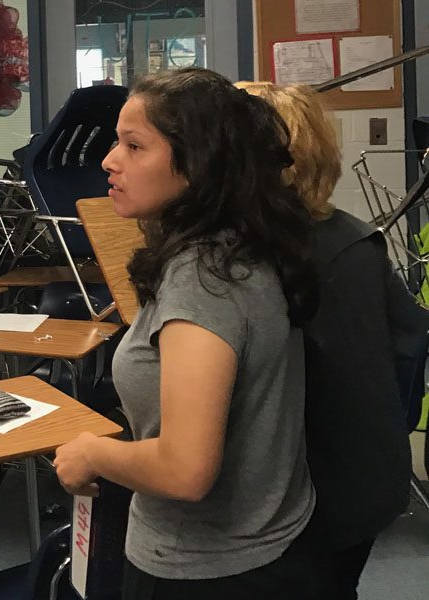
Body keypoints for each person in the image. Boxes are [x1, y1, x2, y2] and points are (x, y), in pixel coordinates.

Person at [53, 68, 323, 599]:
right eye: (116, 142)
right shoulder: (243, 244)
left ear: (197, 165)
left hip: (203, 569)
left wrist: (92, 453)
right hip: (272, 547)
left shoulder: (201, 276)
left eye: (135, 146)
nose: (110, 160)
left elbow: (185, 469)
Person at [237, 81, 429, 600]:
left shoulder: (270, 257)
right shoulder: (352, 235)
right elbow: (405, 349)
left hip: (315, 503)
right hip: (369, 481)